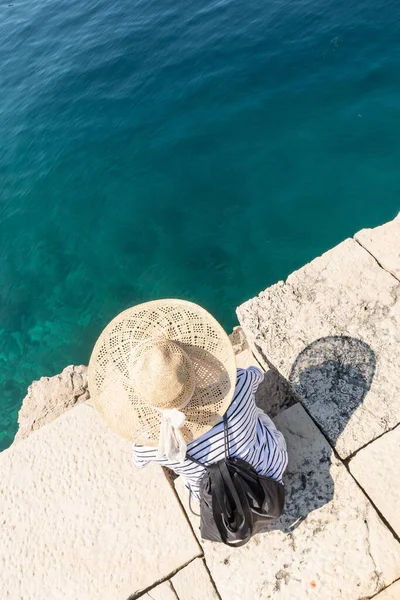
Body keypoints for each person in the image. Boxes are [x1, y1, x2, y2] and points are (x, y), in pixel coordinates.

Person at [88, 299, 288, 501]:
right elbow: (256, 375)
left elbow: (138, 460)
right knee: (255, 414)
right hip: (270, 476)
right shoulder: (240, 385)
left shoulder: (151, 443)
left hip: (220, 506)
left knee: (188, 476)